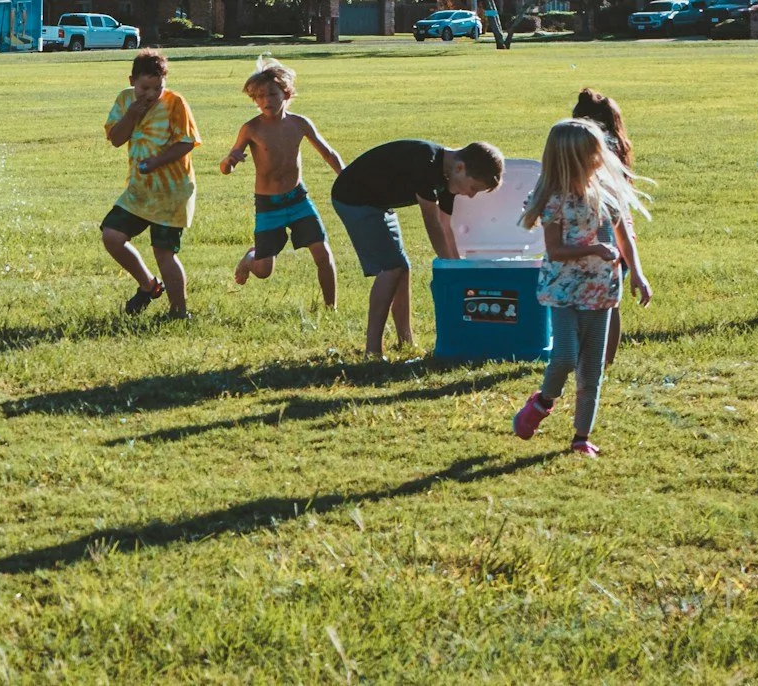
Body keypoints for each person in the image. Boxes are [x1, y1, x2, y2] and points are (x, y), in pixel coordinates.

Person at [512, 119, 652, 457]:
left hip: (601, 290)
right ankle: (544, 401)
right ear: (571, 158)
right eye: (592, 153)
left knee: (592, 368)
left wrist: (637, 272)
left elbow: (623, 237)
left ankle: (581, 437)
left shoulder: (606, 193)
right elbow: (556, 250)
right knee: (564, 356)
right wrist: (593, 249)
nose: (599, 159)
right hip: (564, 289)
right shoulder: (553, 199)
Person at [329, 137, 504, 356]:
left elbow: (445, 226)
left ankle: (405, 341)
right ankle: (372, 350)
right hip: (353, 198)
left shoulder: (450, 177)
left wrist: (458, 268)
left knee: (403, 269)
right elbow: (431, 223)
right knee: (391, 268)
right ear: (461, 167)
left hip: (379, 202)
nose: (470, 195)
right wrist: (448, 269)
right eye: (473, 188)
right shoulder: (427, 164)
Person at [222, 57, 344, 308]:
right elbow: (225, 168)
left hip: (298, 199)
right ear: (254, 99)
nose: (268, 101)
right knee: (264, 270)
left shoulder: (299, 123)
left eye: (274, 94)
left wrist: (347, 177)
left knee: (323, 254)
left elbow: (328, 153)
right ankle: (250, 258)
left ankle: (331, 307)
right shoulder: (251, 129)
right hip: (268, 205)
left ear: (286, 94)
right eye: (261, 96)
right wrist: (230, 161)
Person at [100, 48, 200, 318]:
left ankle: (179, 313)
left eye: (158, 87)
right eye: (145, 87)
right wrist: (132, 114)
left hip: (172, 193)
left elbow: (186, 142)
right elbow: (116, 139)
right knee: (112, 235)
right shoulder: (124, 100)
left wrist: (156, 162)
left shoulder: (175, 102)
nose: (151, 94)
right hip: (139, 191)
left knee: (164, 252)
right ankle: (149, 285)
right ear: (132, 80)